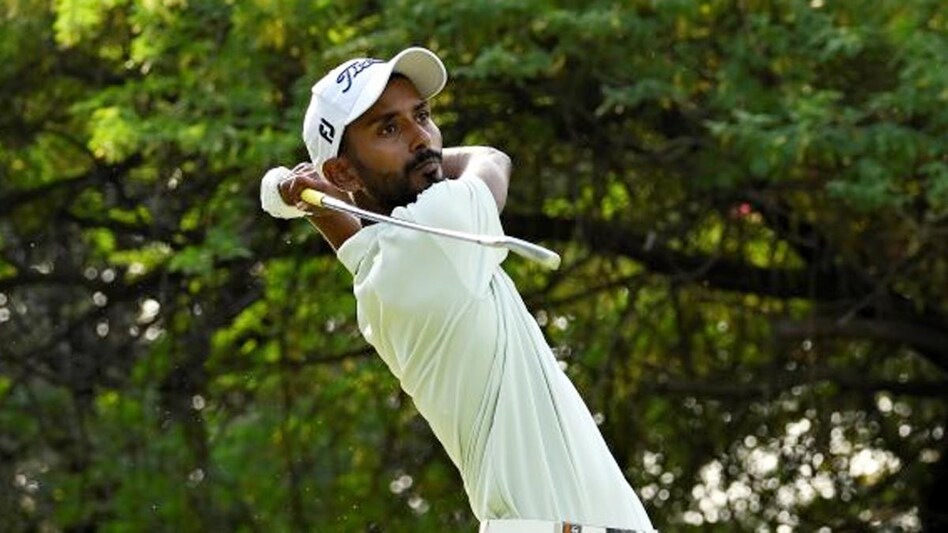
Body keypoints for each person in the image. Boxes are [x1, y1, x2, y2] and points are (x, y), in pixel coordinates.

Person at [260, 47, 656, 533]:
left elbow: (356, 240)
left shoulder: (380, 272)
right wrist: (323, 194)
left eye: (422, 116)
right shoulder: (439, 228)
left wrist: (320, 199)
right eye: (388, 129)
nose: (421, 139)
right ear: (343, 173)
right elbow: (490, 158)